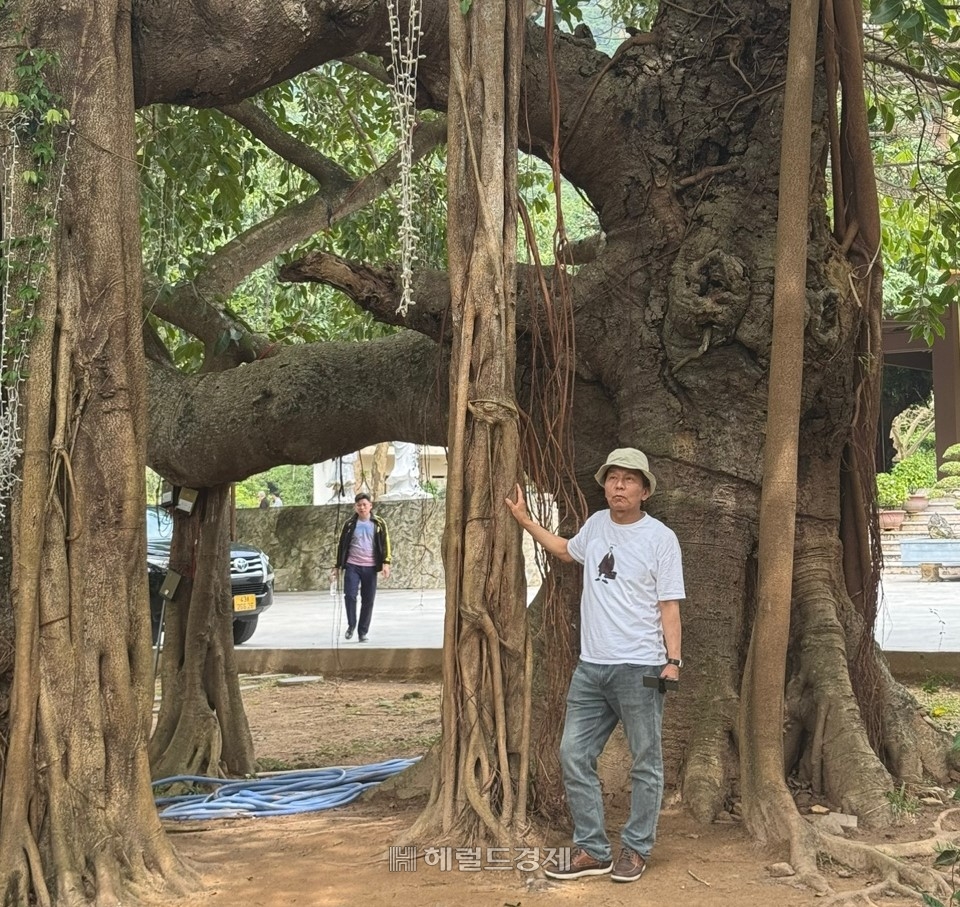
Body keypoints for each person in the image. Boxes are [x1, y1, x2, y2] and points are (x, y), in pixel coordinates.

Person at [505, 448, 684, 884]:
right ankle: (593, 849)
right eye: (612, 478)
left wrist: (673, 661)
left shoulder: (661, 538)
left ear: (644, 490)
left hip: (639, 667)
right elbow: (567, 551)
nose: (618, 486)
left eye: (628, 479)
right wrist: (526, 521)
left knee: (646, 761)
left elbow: (669, 605)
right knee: (573, 753)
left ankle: (637, 849)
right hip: (591, 668)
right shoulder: (596, 525)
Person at [334, 492, 392, 642]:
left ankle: (362, 631)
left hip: (370, 567)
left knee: (368, 600)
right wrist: (337, 566)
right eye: (359, 505)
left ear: (370, 506)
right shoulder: (349, 524)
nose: (362, 507)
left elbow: (386, 543)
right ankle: (351, 625)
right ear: (355, 507)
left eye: (364, 505)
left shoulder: (379, 523)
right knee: (350, 596)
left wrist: (386, 563)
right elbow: (342, 545)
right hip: (352, 565)